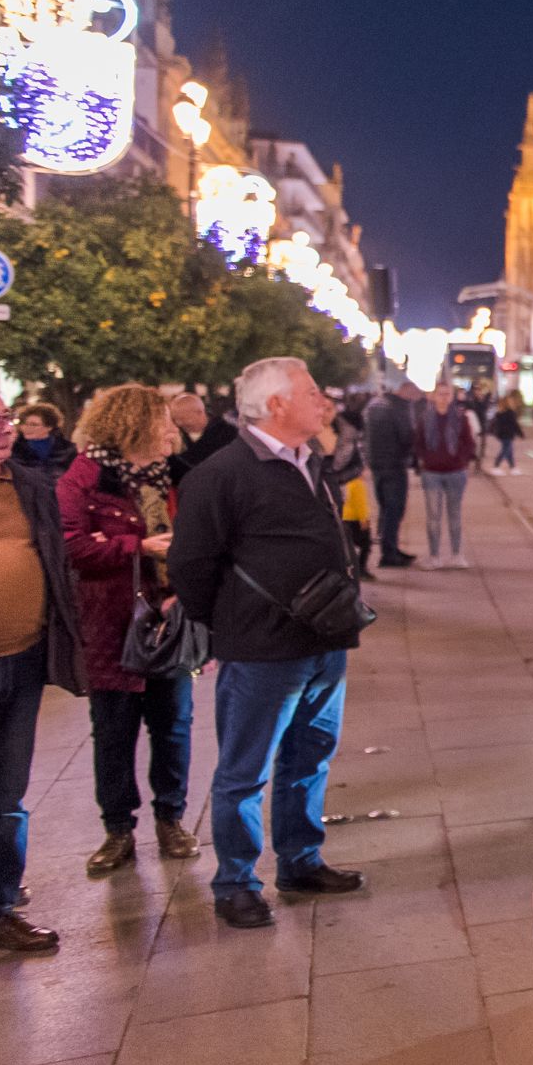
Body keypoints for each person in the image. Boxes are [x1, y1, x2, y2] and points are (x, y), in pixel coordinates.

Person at [170, 358, 369, 930]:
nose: (323, 400)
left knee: (310, 756)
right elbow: (191, 565)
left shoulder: (313, 463)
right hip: (261, 648)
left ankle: (301, 861)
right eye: (310, 392)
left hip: (326, 639)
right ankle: (235, 881)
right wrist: (231, 625)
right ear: (276, 404)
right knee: (244, 770)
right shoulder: (222, 473)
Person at [60, 385, 200, 877]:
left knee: (174, 725)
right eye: (163, 421)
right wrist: (138, 547)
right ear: (133, 425)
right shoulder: (85, 477)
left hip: (171, 620)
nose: (172, 430)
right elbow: (72, 548)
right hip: (111, 624)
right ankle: (118, 829)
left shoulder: (178, 478)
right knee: (114, 730)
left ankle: (171, 819)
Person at [0, 393, 87, 953]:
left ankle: (1, 904)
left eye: (3, 417)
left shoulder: (28, 484)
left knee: (7, 790)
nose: (4, 428)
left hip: (23, 657)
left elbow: (56, 558)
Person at [414, 380, 478, 569]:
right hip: (432, 473)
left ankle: (456, 554)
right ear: (433, 396)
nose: (443, 398)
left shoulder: (460, 418)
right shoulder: (425, 418)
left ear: (452, 397)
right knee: (433, 516)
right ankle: (434, 556)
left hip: (455, 472)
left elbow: (469, 443)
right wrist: (425, 459)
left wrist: (462, 460)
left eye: (447, 394)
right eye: (440, 394)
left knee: (455, 514)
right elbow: (418, 442)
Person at [362, 380, 421, 568]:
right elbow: (406, 436)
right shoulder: (399, 408)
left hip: (377, 464)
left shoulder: (375, 405)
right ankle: (389, 553)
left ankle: (391, 548)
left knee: (385, 508)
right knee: (395, 509)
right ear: (407, 392)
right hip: (394, 464)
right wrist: (413, 455)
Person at [320, 394, 372, 578]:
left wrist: (336, 479)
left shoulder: (347, 435)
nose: (324, 413)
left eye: (329, 409)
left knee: (351, 545)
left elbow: (358, 465)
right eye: (321, 408)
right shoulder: (305, 439)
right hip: (318, 504)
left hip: (347, 499)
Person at [167, 391, 239, 478]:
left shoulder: (227, 433)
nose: (179, 423)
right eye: (175, 419)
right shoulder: (175, 436)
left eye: (183, 418)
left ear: (199, 412)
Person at [14, 402, 73, 473]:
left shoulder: (67, 450)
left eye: (33, 425)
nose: (27, 428)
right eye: (24, 424)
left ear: (49, 427)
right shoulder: (15, 449)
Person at [488, 392, 525, 473]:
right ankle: (496, 466)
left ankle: (512, 467)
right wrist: (521, 434)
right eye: (511, 401)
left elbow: (497, 424)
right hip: (508, 434)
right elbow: (515, 425)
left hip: (501, 435)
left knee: (509, 451)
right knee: (505, 450)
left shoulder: (500, 413)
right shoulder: (510, 413)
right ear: (508, 403)